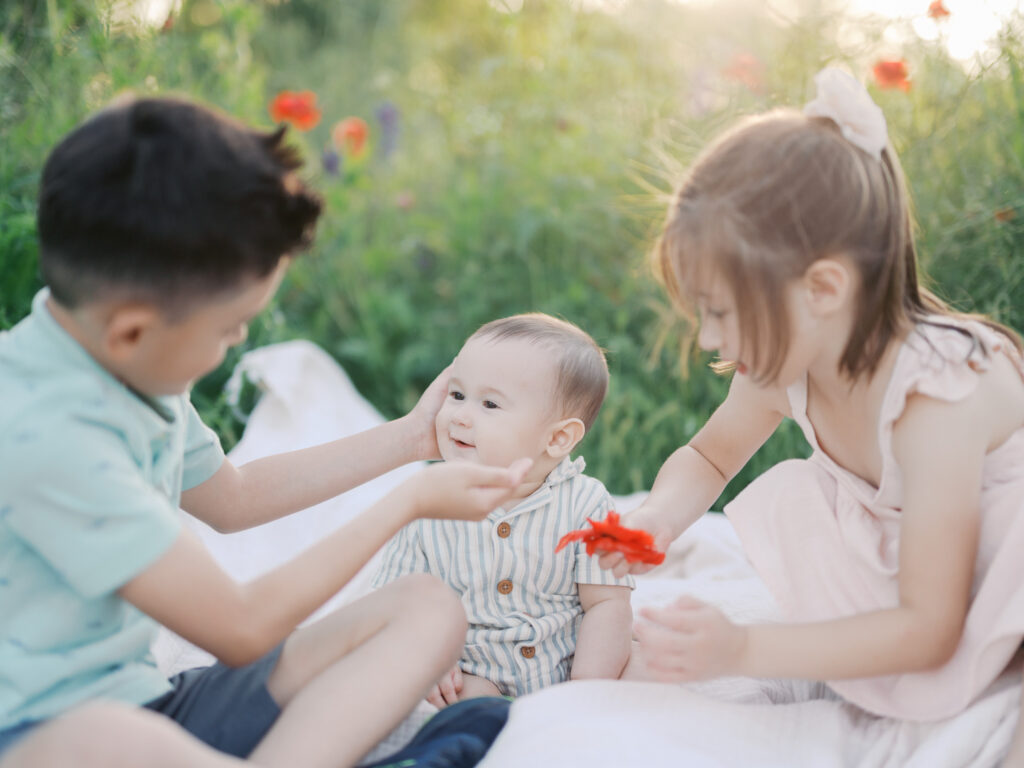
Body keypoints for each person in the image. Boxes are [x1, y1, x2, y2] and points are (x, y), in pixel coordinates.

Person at [0, 95, 533, 768]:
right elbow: (240, 627)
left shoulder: (127, 369)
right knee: (101, 737)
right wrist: (409, 501)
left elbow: (235, 496)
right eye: (229, 328)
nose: (239, 339)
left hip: (153, 702)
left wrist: (411, 440)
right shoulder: (46, 432)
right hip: (40, 735)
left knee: (426, 608)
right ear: (132, 329)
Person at [598, 67, 1024, 742]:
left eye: (720, 312)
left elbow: (930, 627)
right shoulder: (790, 360)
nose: (709, 338)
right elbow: (710, 455)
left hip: (991, 589)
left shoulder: (936, 396)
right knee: (804, 495)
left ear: (823, 289)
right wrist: (656, 518)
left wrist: (744, 649)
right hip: (935, 580)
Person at [373, 313, 635, 707]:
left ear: (559, 437)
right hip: (473, 670)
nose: (460, 415)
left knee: (645, 664)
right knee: (458, 703)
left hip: (565, 664)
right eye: (457, 395)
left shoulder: (589, 503)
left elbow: (607, 603)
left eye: (489, 403)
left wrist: (586, 689)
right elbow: (393, 598)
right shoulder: (428, 502)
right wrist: (425, 653)